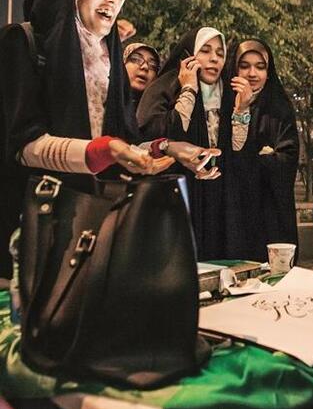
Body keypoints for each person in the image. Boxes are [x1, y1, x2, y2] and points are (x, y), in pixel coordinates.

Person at [0, 0, 218, 279]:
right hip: (30, 227)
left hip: (93, 226)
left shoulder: (109, 57)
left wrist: (171, 149)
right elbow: (22, 146)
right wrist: (103, 150)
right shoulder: (23, 43)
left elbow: (124, 142)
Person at [138, 27, 237, 260]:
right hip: (176, 195)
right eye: (205, 50)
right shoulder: (163, 88)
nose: (214, 58)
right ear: (188, 56)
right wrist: (189, 88)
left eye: (220, 53)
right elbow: (157, 132)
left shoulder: (230, 94)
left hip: (219, 198)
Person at [224, 38, 299, 261]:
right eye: (244, 66)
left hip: (271, 213)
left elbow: (288, 159)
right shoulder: (221, 104)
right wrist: (261, 157)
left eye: (260, 66)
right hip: (233, 211)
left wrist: (253, 161)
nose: (252, 74)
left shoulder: (280, 108)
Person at [123, 42, 160, 110]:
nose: (145, 67)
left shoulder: (156, 111)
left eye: (153, 65)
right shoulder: (102, 98)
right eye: (136, 59)